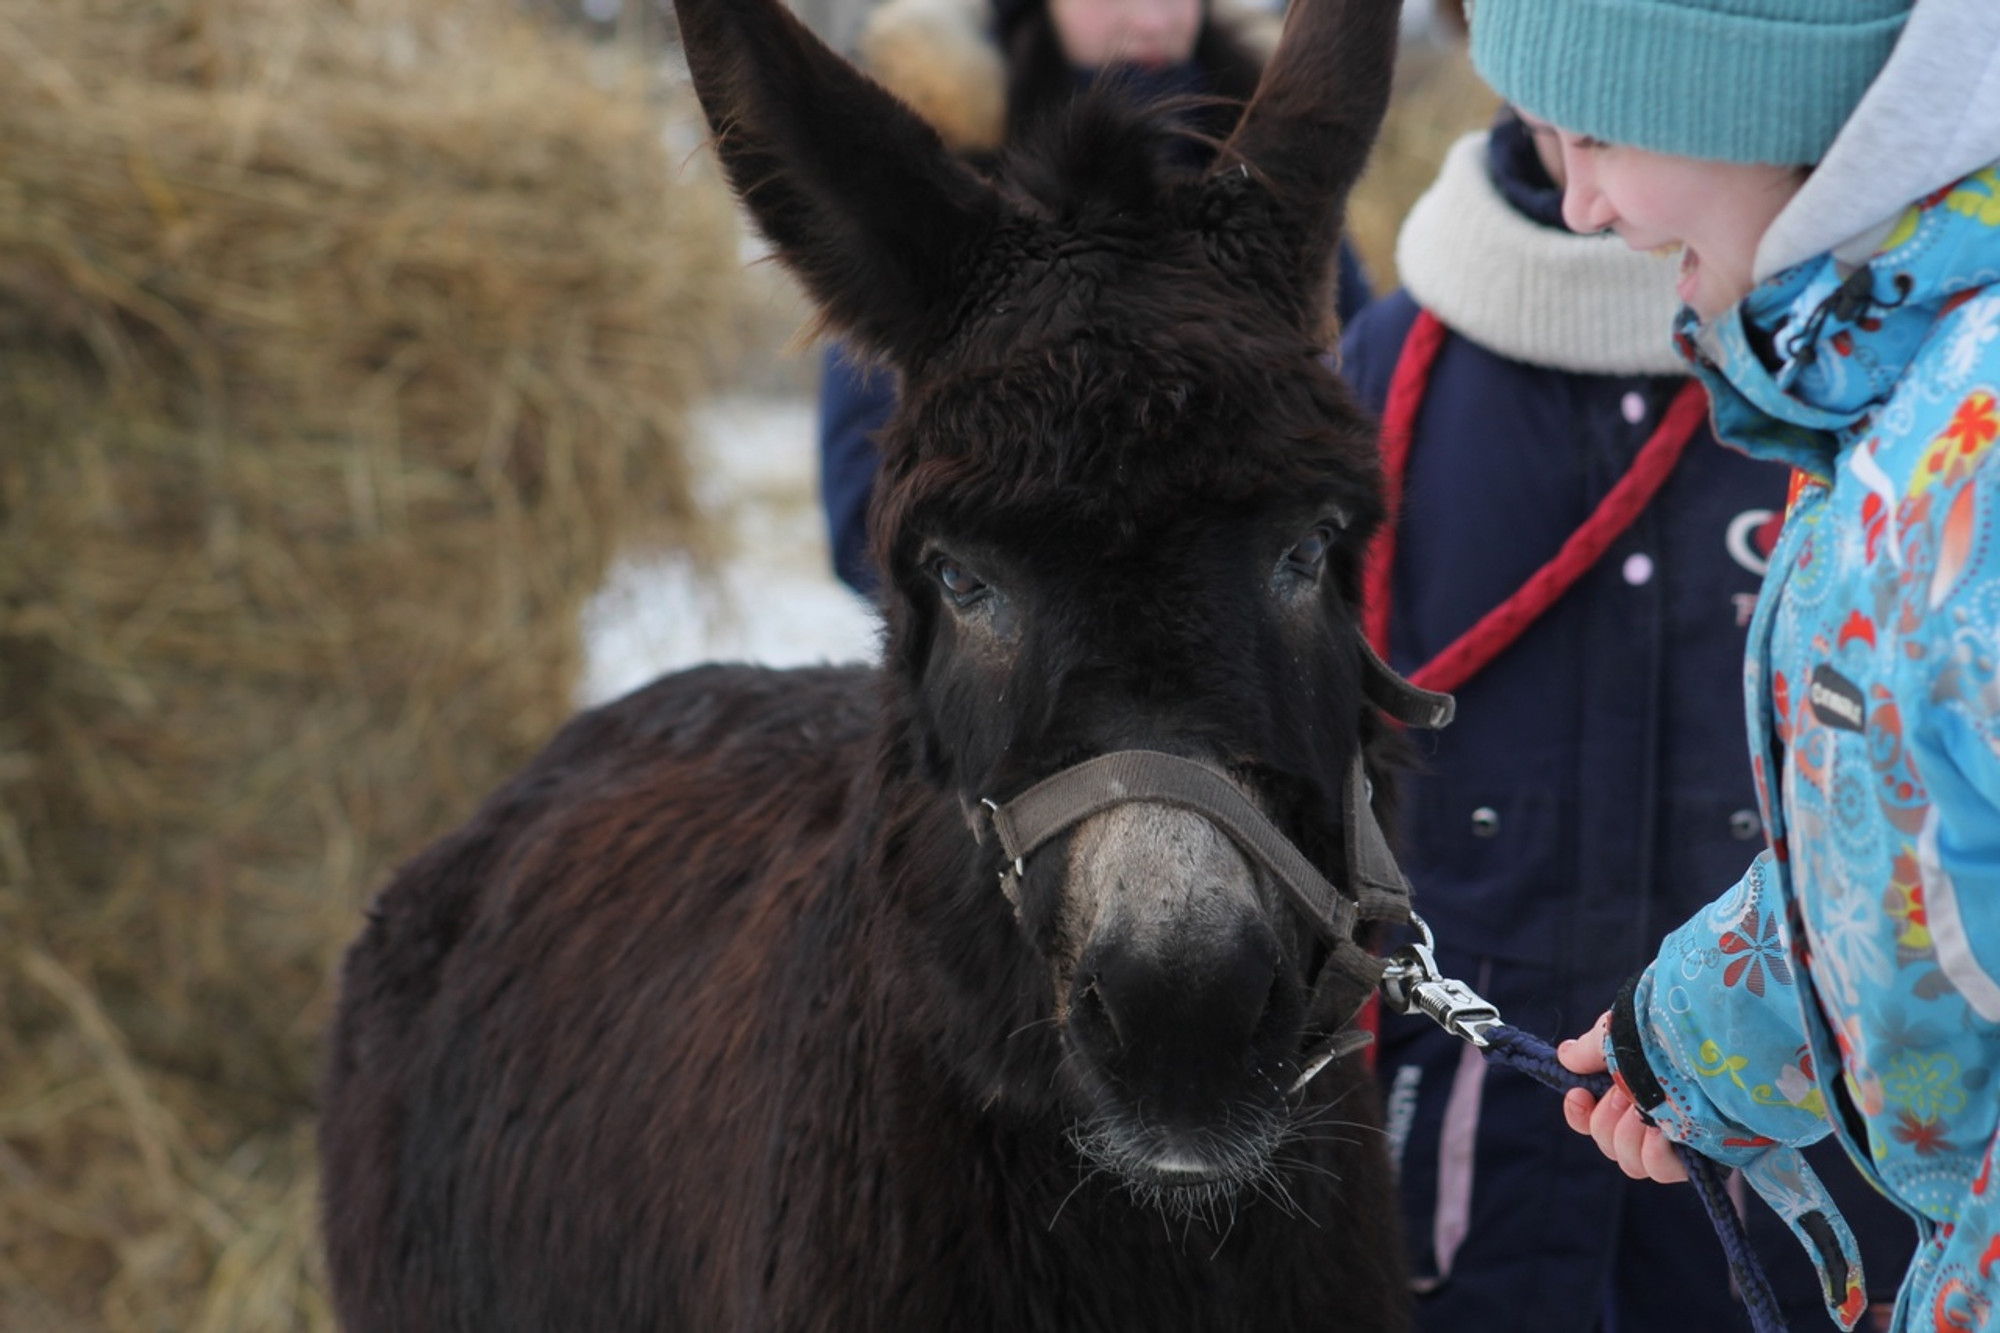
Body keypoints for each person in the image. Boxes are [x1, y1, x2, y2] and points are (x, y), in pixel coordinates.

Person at [1452, 0, 2000, 1327]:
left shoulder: (1971, 462)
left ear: (1756, 100)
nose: (1580, 206)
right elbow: (1919, 860)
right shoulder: (1895, 412)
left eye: (1595, 136)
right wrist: (1692, 1043)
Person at [1343, 103, 1913, 1333]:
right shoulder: (1379, 374)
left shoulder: (1880, 394)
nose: (1588, 152)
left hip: (1812, 1181)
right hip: (1460, 1166)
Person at [816, 0, 1373, 596]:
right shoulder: (943, 205)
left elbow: (1370, 404)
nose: (1153, 21)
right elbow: (864, 518)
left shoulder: (1274, 189)